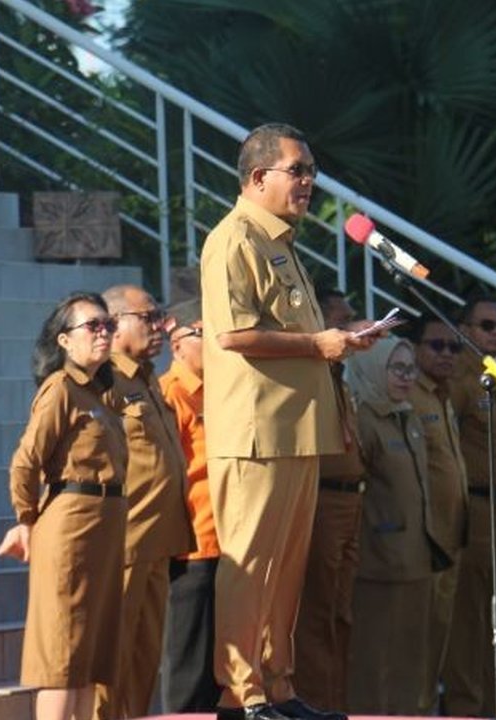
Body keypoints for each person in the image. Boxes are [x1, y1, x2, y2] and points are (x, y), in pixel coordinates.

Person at [199, 122, 368, 720]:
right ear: (257, 177)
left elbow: (299, 336)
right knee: (251, 566)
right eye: (297, 170)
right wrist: (319, 345)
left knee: (286, 571)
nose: (308, 182)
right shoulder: (233, 239)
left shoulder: (281, 242)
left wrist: (337, 343)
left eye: (310, 171)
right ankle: (239, 694)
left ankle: (278, 685)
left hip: (295, 430)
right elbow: (234, 333)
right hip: (255, 434)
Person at [0, 293, 129, 720]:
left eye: (108, 324)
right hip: (72, 523)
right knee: (62, 655)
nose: (104, 333)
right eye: (93, 326)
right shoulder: (61, 389)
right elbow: (25, 460)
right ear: (64, 340)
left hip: (104, 524)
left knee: (90, 657)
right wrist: (26, 519)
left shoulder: (99, 395)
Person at [95, 284, 195, 720]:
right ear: (114, 327)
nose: (161, 327)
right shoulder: (102, 380)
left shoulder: (146, 377)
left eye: (161, 317)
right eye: (149, 318)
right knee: (110, 666)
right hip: (124, 542)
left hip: (158, 542)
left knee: (142, 665)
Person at [343, 337, 435, 714]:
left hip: (416, 555)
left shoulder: (408, 414)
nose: (406, 377)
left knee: (409, 658)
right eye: (396, 368)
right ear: (373, 369)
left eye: (410, 369)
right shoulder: (363, 418)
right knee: (372, 659)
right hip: (378, 559)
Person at [443, 295, 496, 719]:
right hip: (477, 506)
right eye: (487, 325)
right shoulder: (459, 376)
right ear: (465, 330)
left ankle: (491, 708)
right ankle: (465, 709)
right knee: (472, 616)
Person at [292, 287, 366, 712]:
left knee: (341, 615)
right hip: (320, 498)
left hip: (351, 499)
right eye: (343, 320)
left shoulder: (339, 374)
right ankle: (316, 705)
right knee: (316, 615)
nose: (354, 328)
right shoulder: (311, 371)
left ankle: (336, 703)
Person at [159, 298, 222, 713]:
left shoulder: (221, 393)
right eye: (203, 334)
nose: (213, 344)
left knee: (220, 672)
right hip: (192, 548)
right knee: (188, 672)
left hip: (228, 544)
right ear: (176, 340)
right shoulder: (170, 394)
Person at [402, 314, 468, 713]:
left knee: (440, 635)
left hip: (453, 535)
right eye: (437, 346)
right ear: (415, 348)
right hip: (422, 539)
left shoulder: (447, 394)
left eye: (454, 347)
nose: (447, 354)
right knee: (418, 640)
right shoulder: (410, 392)